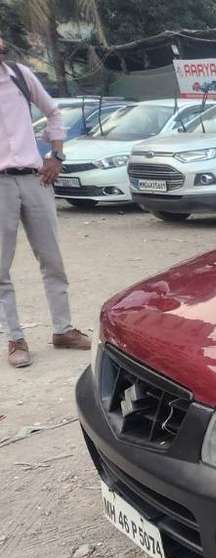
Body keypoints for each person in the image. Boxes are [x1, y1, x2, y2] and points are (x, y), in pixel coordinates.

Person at [0, 36, 90, 368]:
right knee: (1, 268)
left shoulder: (20, 76)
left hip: (35, 179)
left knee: (52, 259)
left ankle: (63, 330)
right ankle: (15, 338)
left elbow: (53, 113)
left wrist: (57, 155)